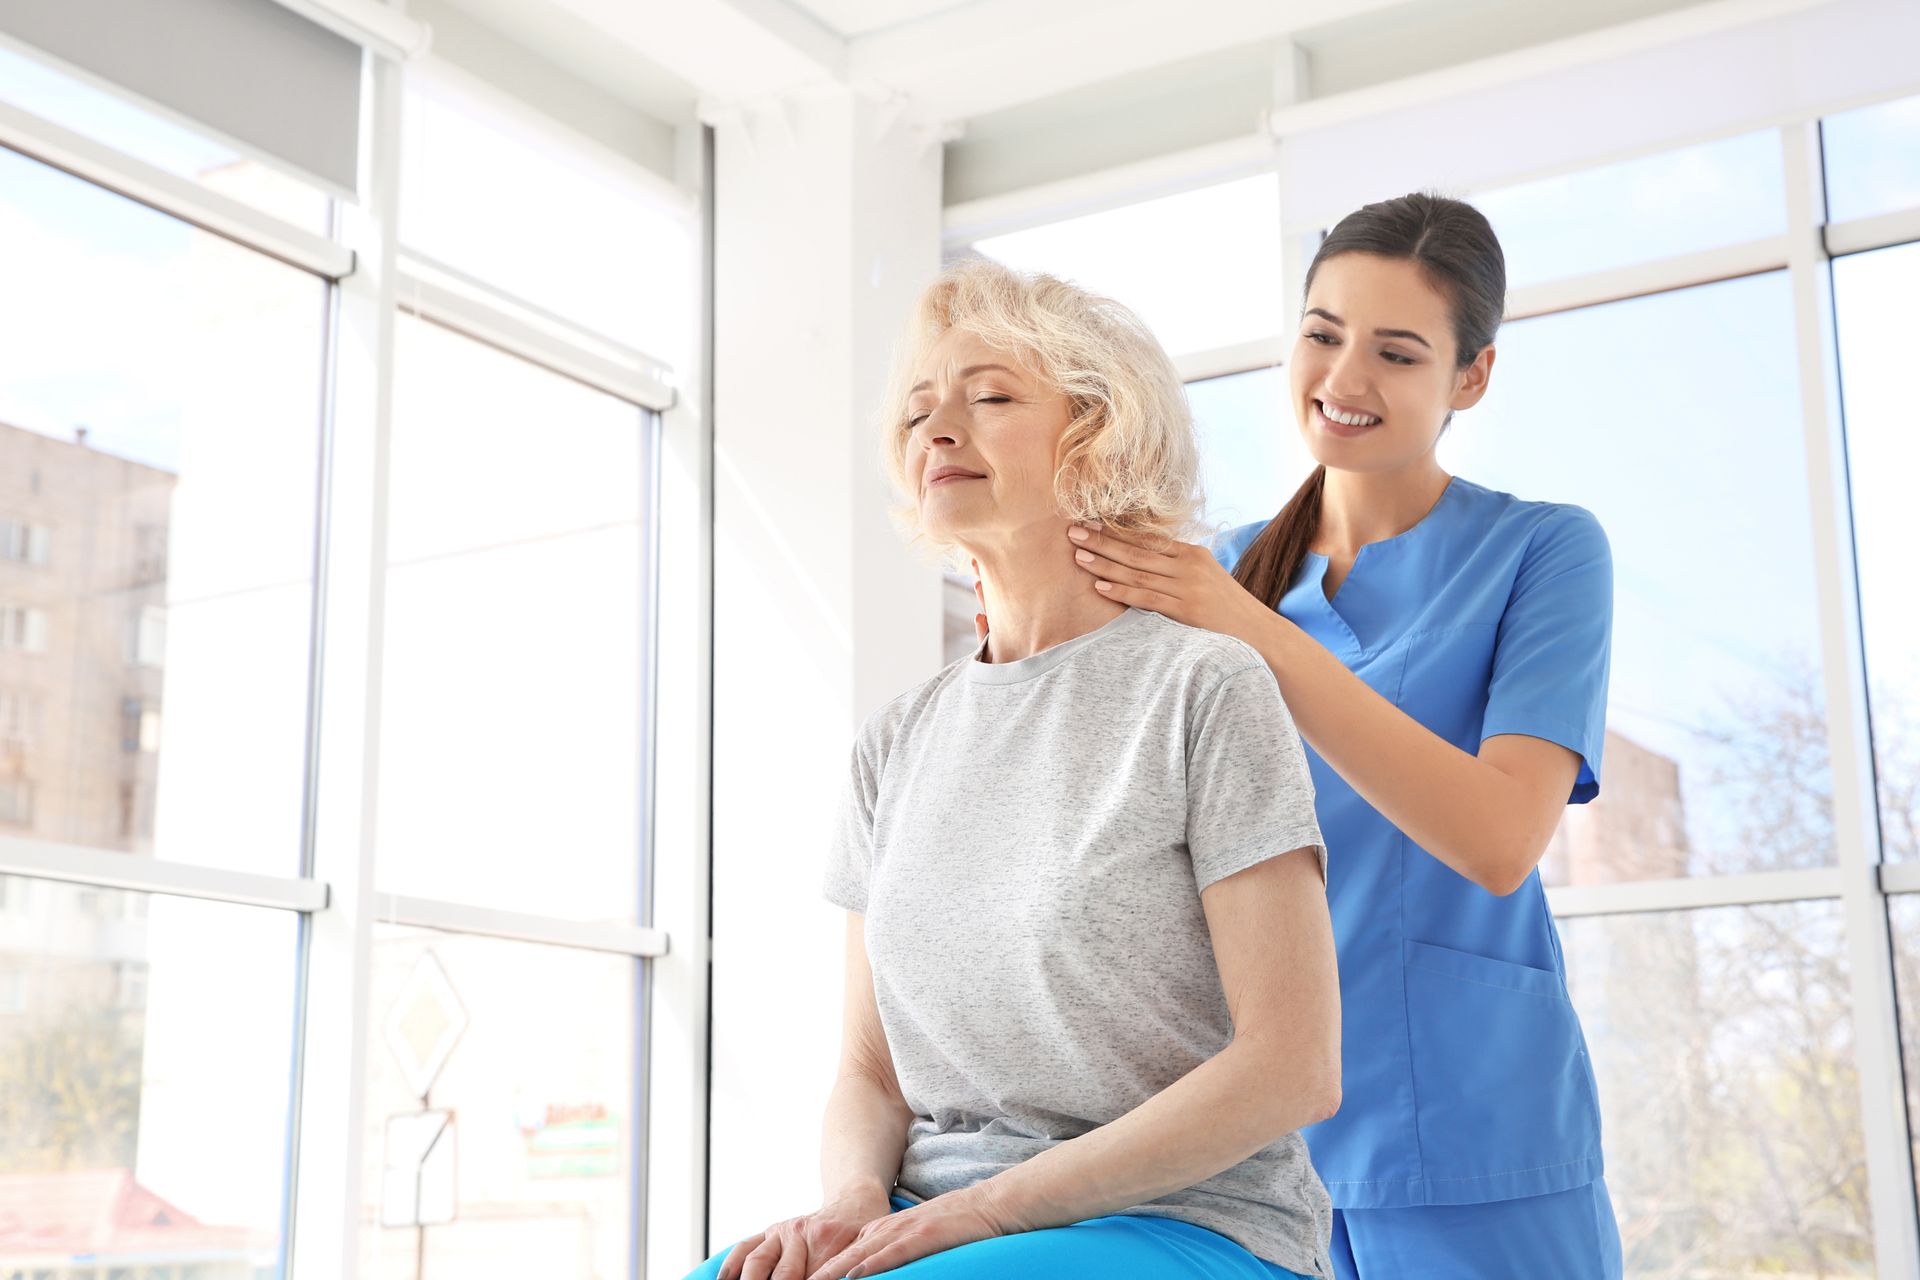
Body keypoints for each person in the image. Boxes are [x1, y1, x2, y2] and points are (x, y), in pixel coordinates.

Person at [686, 260, 1342, 1280]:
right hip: (932, 1213)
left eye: (990, 397)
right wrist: (855, 1200)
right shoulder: (893, 743)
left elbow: (1293, 1067)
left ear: (1098, 435)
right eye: (918, 412)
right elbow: (868, 1071)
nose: (938, 428)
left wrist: (987, 1211)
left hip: (1186, 1221)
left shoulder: (1205, 689)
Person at [1052, 193, 1624, 1279]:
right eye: (1322, 334)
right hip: (1249, 1157)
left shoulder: (1541, 552)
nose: (1344, 379)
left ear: (1472, 377)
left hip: (1475, 1135)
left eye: (1397, 353)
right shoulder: (1208, 573)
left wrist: (1253, 634)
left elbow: (1501, 837)